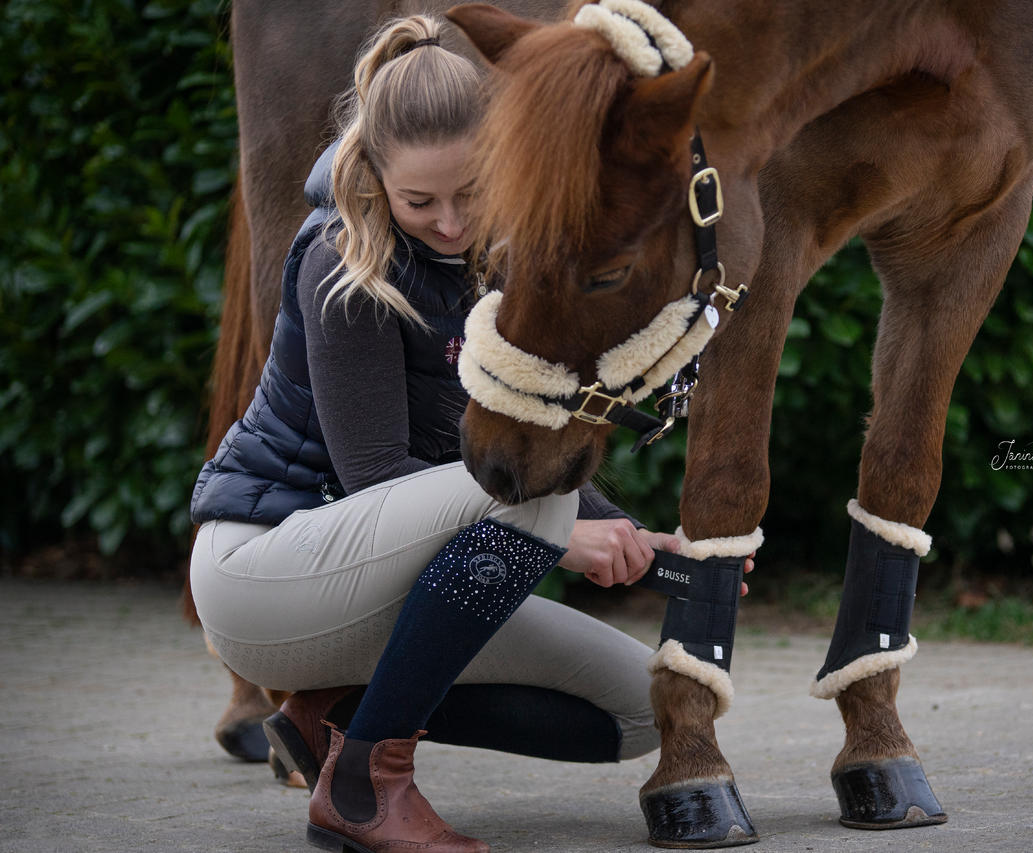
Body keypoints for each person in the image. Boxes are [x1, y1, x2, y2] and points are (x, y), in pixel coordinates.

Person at [188, 16, 744, 853]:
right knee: (533, 510)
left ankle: (333, 716)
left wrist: (633, 539)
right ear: (375, 174)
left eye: (470, 193)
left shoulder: (494, 259)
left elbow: (506, 434)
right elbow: (379, 472)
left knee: (638, 706)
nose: (450, 223)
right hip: (265, 572)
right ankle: (365, 785)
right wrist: (566, 537)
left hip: (371, 587)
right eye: (420, 202)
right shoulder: (340, 260)